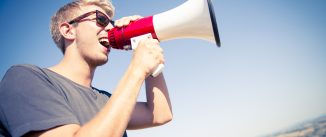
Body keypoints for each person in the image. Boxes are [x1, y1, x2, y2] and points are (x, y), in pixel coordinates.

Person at [0, 0, 173, 137]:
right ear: (68, 31)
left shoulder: (105, 100)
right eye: (101, 20)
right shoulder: (25, 78)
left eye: (111, 23)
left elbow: (159, 114)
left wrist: (144, 37)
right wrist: (137, 70)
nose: (110, 28)